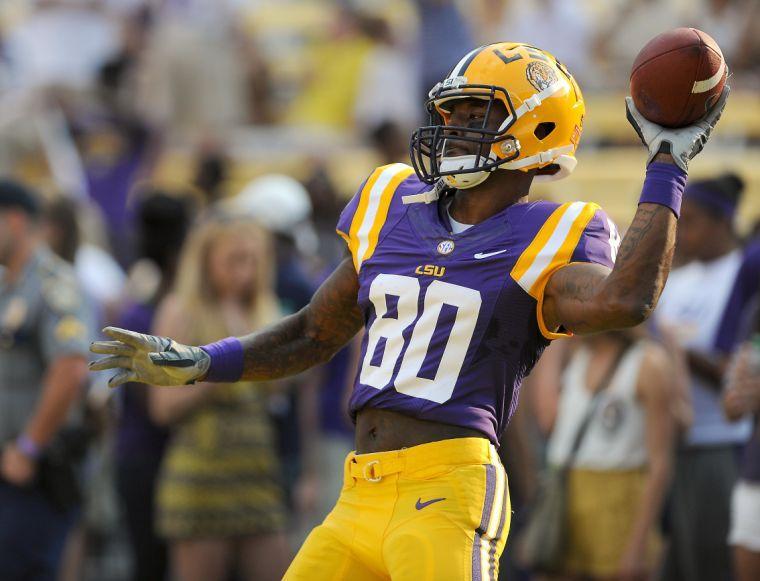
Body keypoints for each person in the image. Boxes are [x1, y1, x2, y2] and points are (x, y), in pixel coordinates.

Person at [90, 42, 728, 580]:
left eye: (475, 113)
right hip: (357, 491)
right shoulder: (396, 202)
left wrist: (666, 163)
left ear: (534, 130)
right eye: (450, 113)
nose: (452, 129)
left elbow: (625, 300)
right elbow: (316, 331)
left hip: (448, 488)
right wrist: (206, 360)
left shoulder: (554, 231)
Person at [148, 217, 290, 581]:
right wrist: (222, 365)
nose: (245, 272)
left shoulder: (263, 309)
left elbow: (279, 391)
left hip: (256, 468)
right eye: (234, 260)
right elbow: (162, 407)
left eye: (253, 260)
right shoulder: (181, 311)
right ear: (205, 261)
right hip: (200, 472)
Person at [653, 174, 751, 581]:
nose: (683, 232)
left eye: (690, 221)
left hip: (723, 443)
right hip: (675, 443)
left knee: (715, 560)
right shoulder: (679, 279)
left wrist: (680, 355)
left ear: (721, 222)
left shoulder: (743, 274)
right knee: (681, 561)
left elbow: (740, 370)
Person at [0, 180, 92, 580]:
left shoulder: (54, 283)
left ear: (15, 220)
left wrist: (28, 446)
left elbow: (71, 367)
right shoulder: (9, 286)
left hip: (35, 469)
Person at [535, 330, 676, 580]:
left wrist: (637, 547)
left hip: (619, 513)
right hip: (567, 507)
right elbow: (547, 420)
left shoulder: (649, 363)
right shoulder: (578, 355)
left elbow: (661, 465)